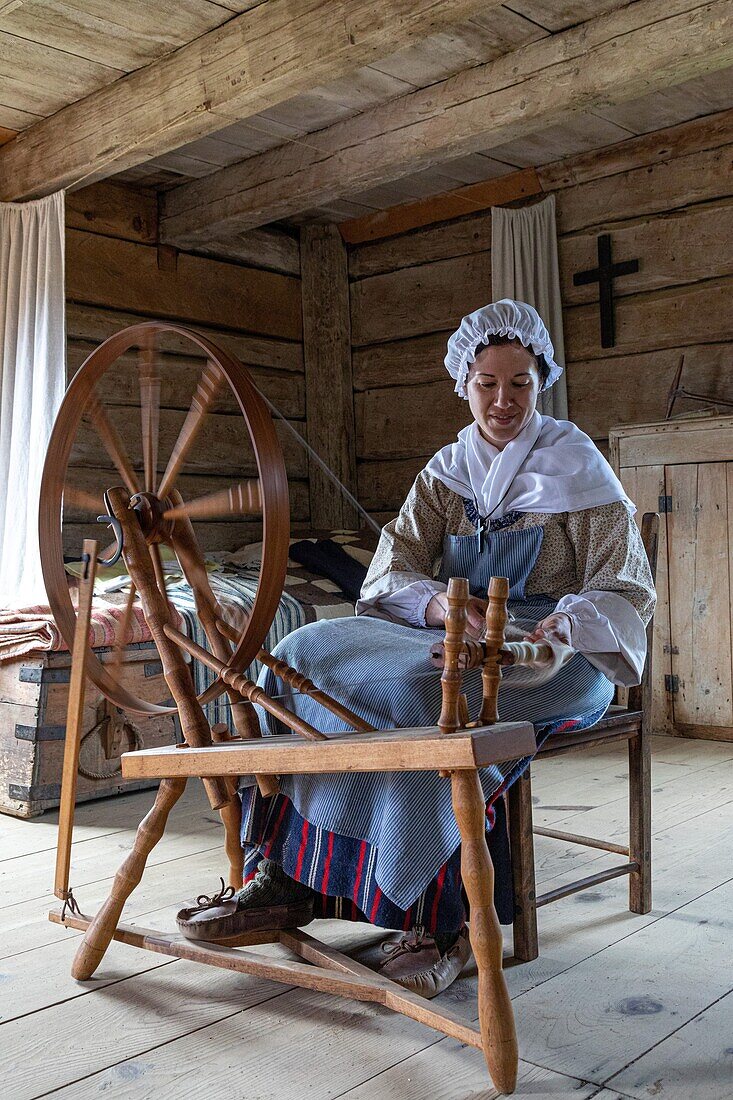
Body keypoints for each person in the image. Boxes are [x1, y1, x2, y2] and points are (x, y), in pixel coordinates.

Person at [178, 299, 656, 999]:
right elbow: (390, 568)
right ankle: (288, 874)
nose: (501, 400)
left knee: (415, 697)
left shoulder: (578, 468)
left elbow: (623, 585)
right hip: (451, 633)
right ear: (462, 383)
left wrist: (558, 629)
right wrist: (436, 603)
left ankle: (438, 923)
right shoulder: (447, 471)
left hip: (555, 656)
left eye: (518, 383)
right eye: (486, 383)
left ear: (540, 381)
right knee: (304, 650)